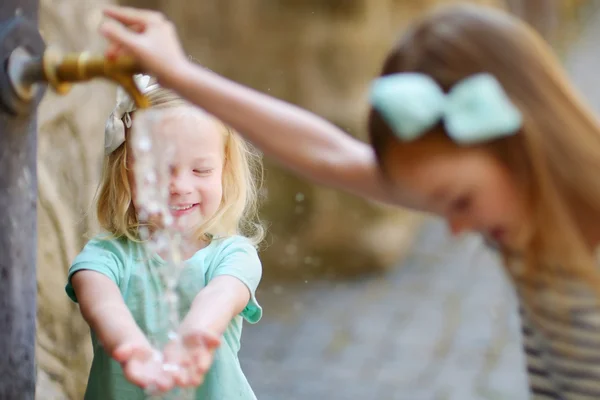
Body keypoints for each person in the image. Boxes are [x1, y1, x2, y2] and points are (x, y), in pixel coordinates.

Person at [99, 3, 600, 399]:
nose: (455, 228)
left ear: (519, 146)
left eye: (459, 200)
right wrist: (181, 76)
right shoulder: (523, 215)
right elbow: (329, 152)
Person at [65, 75, 265, 399]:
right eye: (157, 170)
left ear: (225, 172)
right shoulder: (105, 256)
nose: (180, 186)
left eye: (200, 170)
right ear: (125, 173)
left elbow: (221, 295)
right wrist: (130, 346)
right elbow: (101, 304)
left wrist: (196, 333)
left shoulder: (233, 255)